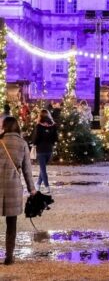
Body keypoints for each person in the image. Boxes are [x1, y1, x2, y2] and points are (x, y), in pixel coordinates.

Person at [0, 116, 36, 265]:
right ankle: (9, 256)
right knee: (11, 224)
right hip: (13, 187)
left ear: (4, 126)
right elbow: (27, 170)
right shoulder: (22, 144)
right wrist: (32, 189)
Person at [32, 109, 58, 194]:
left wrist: (33, 143)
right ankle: (38, 184)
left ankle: (47, 187)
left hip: (41, 150)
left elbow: (36, 138)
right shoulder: (53, 126)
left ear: (40, 116)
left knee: (43, 169)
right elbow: (55, 138)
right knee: (42, 169)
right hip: (49, 150)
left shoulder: (38, 126)